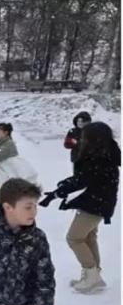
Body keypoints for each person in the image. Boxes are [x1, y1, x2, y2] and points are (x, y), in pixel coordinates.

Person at [40, 121, 120, 293]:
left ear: (94, 140)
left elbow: (81, 180)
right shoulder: (107, 154)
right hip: (98, 203)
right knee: (89, 238)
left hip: (95, 205)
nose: (82, 139)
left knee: (74, 238)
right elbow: (82, 178)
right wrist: (60, 188)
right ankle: (93, 275)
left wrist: (56, 194)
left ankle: (91, 275)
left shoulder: (98, 159)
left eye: (85, 137)